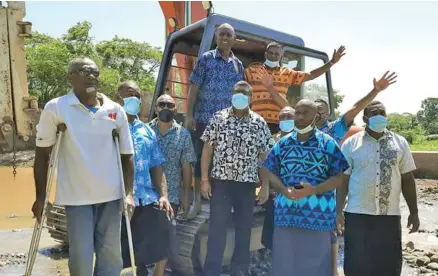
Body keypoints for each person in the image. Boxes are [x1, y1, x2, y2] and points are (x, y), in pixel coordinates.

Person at [291, 100, 421, 276]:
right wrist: (338, 212)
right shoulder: (351, 144)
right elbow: (343, 181)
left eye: (382, 113)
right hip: (357, 215)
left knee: (389, 265)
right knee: (356, 265)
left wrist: (414, 212)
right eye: (374, 114)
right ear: (365, 118)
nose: (379, 117)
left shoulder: (400, 143)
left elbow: (407, 178)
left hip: (388, 216)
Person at [32, 57, 135, 276]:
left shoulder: (115, 109)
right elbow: (42, 155)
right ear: (70, 76)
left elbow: (127, 156)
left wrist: (128, 194)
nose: (91, 76)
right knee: (80, 260)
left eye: (95, 72)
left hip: (110, 197)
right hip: (76, 199)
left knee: (111, 259)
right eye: (83, 71)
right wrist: (41, 197)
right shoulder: (56, 108)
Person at [313, 71, 398, 275]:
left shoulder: (335, 130)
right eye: (315, 110)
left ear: (327, 113)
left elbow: (355, 109)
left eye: (323, 111)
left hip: (327, 191)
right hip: (302, 190)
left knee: (329, 235)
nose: (319, 114)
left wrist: (375, 90)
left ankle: (331, 271)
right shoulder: (296, 131)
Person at [262, 99, 350, 276]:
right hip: (286, 216)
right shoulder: (283, 143)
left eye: (305, 113)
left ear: (316, 116)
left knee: (316, 267)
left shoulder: (328, 144)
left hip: (318, 218)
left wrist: (314, 190)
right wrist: (282, 189)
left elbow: (340, 177)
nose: (300, 117)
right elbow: (267, 170)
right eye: (298, 112)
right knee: (284, 266)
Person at [200, 81, 273, 276]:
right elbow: (207, 149)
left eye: (245, 93)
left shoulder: (259, 123)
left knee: (244, 229)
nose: (240, 95)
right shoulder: (219, 118)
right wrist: (205, 180)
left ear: (251, 97)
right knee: (217, 228)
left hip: (246, 185)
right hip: (221, 184)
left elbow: (264, 157)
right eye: (237, 92)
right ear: (231, 94)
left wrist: (265, 185)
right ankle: (212, 270)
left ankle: (239, 269)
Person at [116, 81, 174, 276]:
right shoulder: (110, 126)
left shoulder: (147, 131)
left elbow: (156, 165)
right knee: (114, 250)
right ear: (118, 98)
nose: (134, 99)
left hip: (146, 198)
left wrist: (163, 195)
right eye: (129, 94)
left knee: (162, 236)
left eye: (137, 96)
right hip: (118, 200)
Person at [185, 23, 245, 210]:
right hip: (204, 118)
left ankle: (219, 200)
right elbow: (193, 88)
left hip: (228, 123)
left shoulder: (238, 65)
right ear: (216, 38)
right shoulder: (206, 59)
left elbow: (240, 95)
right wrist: (189, 115)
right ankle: (197, 200)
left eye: (228, 34)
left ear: (234, 39)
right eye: (221, 34)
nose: (224, 37)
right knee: (199, 159)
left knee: (223, 160)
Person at [245, 42, 346, 133]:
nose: (273, 56)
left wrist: (332, 62)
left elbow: (311, 75)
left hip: (280, 124)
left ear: (281, 56)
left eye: (276, 54)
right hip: (255, 122)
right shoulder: (251, 71)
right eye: (270, 53)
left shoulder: (287, 73)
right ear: (265, 54)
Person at [148, 94, 197, 275]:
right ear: (156, 108)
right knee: (144, 235)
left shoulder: (183, 135)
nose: (166, 107)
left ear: (175, 109)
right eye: (162, 104)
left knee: (166, 234)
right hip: (145, 193)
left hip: (172, 196)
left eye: (170, 105)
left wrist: (185, 196)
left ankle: (158, 273)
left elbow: (186, 168)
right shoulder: (145, 131)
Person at [260, 106, 295, 251]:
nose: (286, 120)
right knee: (273, 238)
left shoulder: (302, 141)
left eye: (289, 117)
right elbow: (265, 165)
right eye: (283, 117)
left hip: (295, 196)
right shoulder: (271, 140)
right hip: (275, 196)